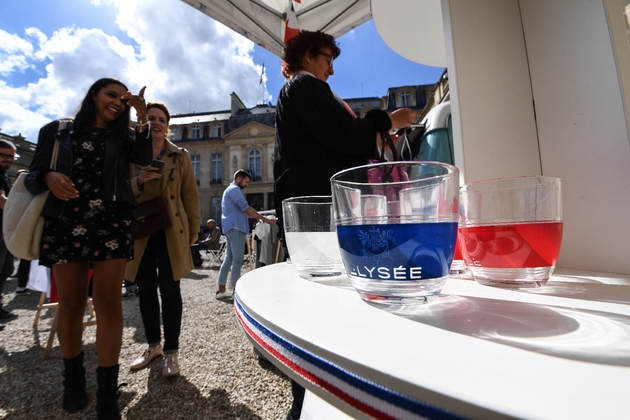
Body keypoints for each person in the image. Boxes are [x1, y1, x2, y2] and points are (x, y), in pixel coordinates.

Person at [273, 30, 416, 420]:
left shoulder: (302, 91)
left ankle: (316, 395)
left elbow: (338, 137)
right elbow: (341, 134)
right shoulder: (303, 86)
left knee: (322, 296)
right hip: (315, 205)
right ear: (305, 55)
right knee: (318, 297)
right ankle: (308, 401)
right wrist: (387, 120)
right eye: (326, 58)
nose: (331, 69)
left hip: (315, 203)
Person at [25, 77, 151, 419]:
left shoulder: (124, 136)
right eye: (111, 95)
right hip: (67, 220)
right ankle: (74, 382)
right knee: (71, 302)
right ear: (95, 94)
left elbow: (143, 158)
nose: (116, 103)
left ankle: (108, 393)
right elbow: (32, 177)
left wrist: (141, 118)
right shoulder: (56, 131)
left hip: (111, 219)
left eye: (122, 100)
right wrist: (49, 177)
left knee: (109, 302)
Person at [124, 102, 200, 378]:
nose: (156, 123)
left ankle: (171, 352)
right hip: (142, 229)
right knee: (145, 290)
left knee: (170, 289)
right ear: (142, 122)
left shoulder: (180, 155)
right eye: (151, 118)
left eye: (161, 119)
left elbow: (189, 194)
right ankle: (153, 346)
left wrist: (194, 227)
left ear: (168, 126)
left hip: (172, 229)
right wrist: (139, 180)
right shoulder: (132, 153)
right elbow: (119, 189)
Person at [216, 170, 276, 299]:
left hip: (230, 227)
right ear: (238, 179)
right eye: (246, 182)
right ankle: (236, 292)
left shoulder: (229, 190)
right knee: (237, 259)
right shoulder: (234, 190)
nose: (247, 185)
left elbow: (244, 210)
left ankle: (221, 291)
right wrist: (264, 219)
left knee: (229, 259)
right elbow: (245, 207)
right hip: (236, 227)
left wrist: (257, 217)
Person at [0, 139, 18, 322]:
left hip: (4, 229)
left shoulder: (3, 174)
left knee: (5, 270)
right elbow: (1, 201)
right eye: (3, 156)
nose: (8, 160)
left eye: (11, 157)